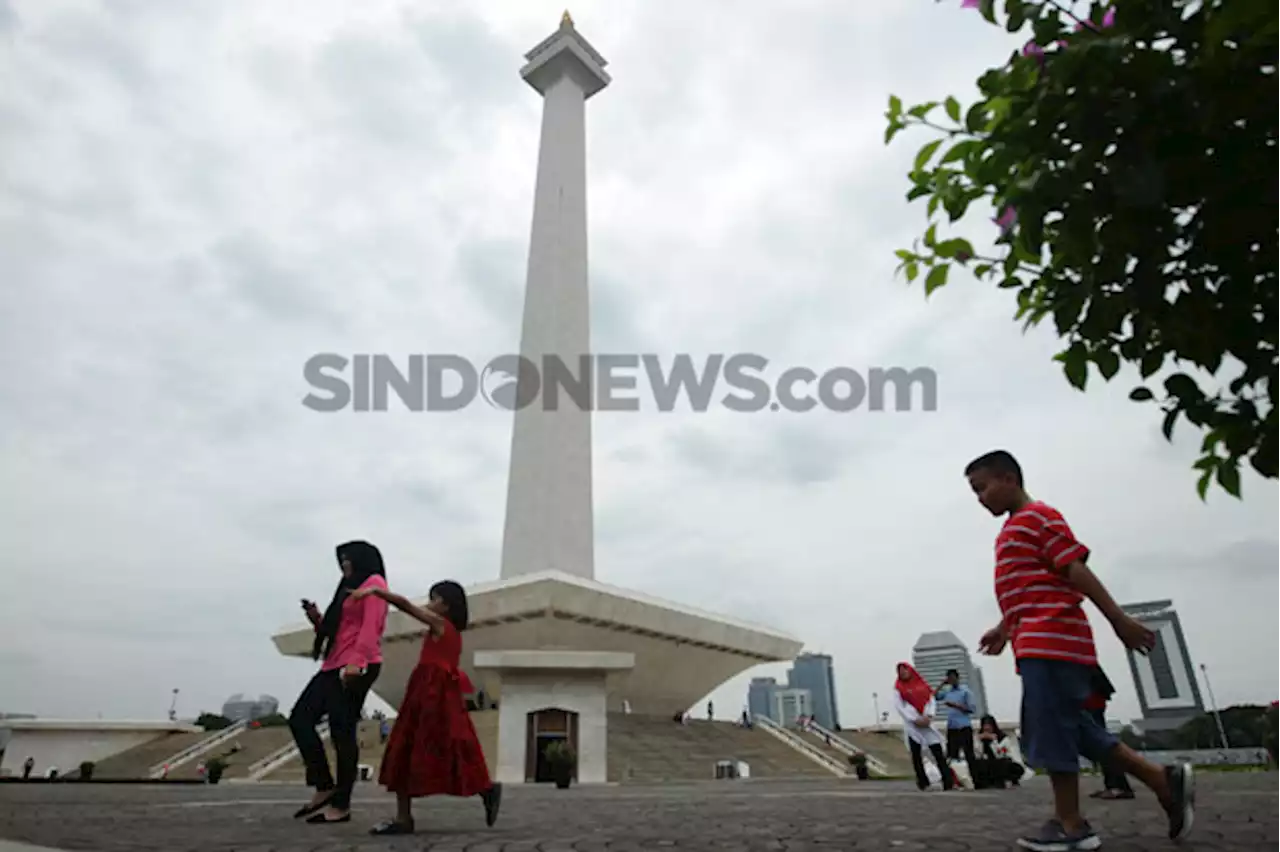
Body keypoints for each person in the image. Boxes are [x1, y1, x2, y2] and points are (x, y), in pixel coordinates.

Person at [966, 450, 1194, 851]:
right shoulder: (1013, 529)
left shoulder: (1038, 517)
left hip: (1052, 641)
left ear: (1009, 479)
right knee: (1078, 731)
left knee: (1051, 730)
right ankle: (1162, 780)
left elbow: (1074, 569)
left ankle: (1071, 826)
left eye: (982, 488)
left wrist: (1118, 620)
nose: (980, 498)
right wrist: (1005, 628)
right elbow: (1030, 591)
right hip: (1035, 640)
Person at [351, 579, 501, 836]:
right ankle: (485, 789)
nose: (429, 604)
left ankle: (404, 817)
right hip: (437, 692)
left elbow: (407, 606)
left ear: (446, 605)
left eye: (434, 599)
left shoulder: (440, 625)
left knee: (406, 745)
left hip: (429, 692)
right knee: (443, 745)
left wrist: (376, 591)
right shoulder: (451, 631)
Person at [290, 541, 389, 825]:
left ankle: (341, 804)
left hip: (358, 664)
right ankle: (324, 785)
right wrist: (317, 620)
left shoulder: (374, 583)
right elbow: (340, 628)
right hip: (334, 663)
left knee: (341, 731)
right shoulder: (347, 587)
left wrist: (356, 662)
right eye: (341, 560)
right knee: (300, 719)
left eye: (347, 559)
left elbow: (372, 626)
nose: (344, 564)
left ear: (361, 559)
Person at [893, 662, 954, 791]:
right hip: (912, 725)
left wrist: (929, 716)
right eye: (900, 671)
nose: (903, 673)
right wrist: (914, 719)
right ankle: (923, 781)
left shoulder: (922, 684)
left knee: (937, 752)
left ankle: (947, 780)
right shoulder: (898, 688)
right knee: (916, 754)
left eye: (905, 669)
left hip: (927, 722)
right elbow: (899, 706)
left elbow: (931, 700)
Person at [1084, 666, 1135, 800]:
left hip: (1089, 697)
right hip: (1090, 695)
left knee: (1100, 742)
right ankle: (1113, 785)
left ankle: (1119, 786)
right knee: (1098, 743)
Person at [936, 668, 978, 784]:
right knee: (951, 755)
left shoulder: (965, 691)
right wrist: (941, 684)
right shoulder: (947, 692)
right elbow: (934, 696)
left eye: (952, 678)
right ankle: (953, 780)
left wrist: (955, 706)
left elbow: (971, 709)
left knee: (969, 754)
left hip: (964, 726)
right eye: (949, 678)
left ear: (957, 678)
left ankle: (975, 779)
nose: (951, 680)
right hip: (952, 727)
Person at [974, 715, 1025, 789]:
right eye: (985, 726)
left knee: (1004, 764)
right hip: (987, 762)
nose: (987, 728)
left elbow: (1000, 754)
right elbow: (977, 754)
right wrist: (979, 741)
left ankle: (1005, 780)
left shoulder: (1004, 738)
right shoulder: (980, 737)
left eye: (989, 726)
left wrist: (994, 741)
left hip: (1001, 761)